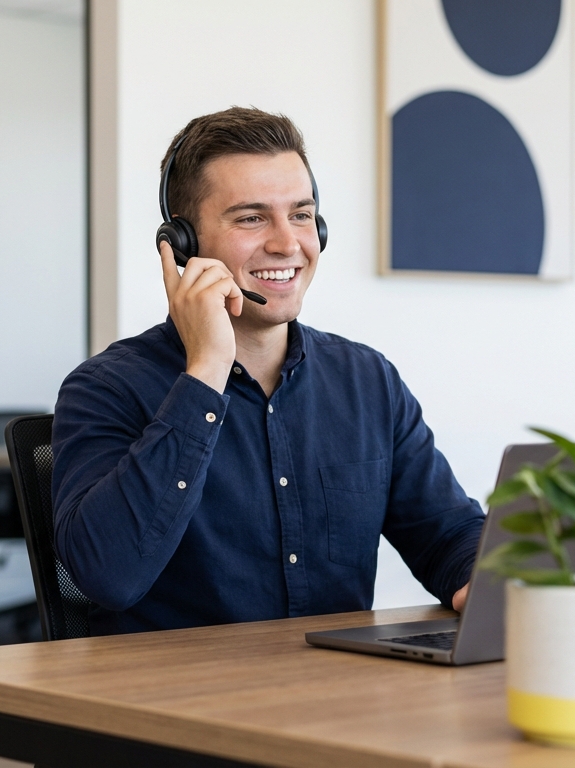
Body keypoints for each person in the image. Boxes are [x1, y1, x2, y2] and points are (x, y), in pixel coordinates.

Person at [51, 107, 484, 636]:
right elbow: (109, 576)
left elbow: (448, 532)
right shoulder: (106, 388)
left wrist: (482, 581)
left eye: (301, 215)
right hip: (172, 705)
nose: (287, 244)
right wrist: (206, 370)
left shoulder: (366, 382)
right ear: (183, 244)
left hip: (331, 698)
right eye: (251, 218)